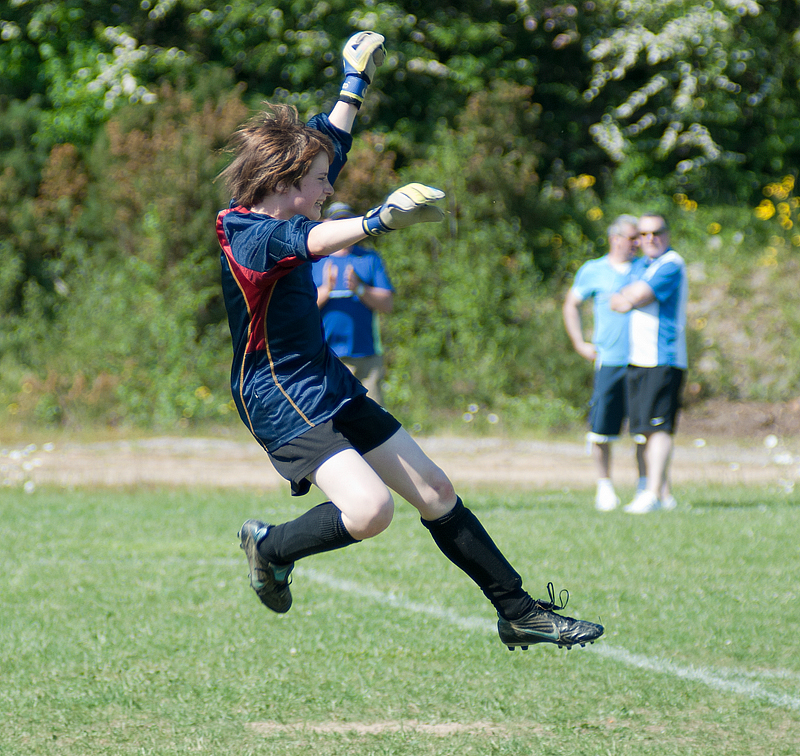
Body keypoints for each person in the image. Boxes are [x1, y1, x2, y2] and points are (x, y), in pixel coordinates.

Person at [215, 31, 603, 650]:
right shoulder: (249, 236)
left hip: (324, 378)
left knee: (436, 490)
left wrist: (354, 79)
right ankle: (269, 546)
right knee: (371, 512)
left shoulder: (290, 204)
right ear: (285, 182)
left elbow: (330, 141)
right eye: (318, 182)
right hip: (279, 394)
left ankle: (518, 611)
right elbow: (310, 243)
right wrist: (375, 221)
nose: (327, 189)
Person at [562, 215, 646, 511]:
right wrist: (579, 342)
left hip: (642, 359)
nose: (638, 243)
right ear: (616, 238)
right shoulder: (593, 270)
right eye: (633, 237)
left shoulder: (646, 267)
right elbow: (571, 304)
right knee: (601, 429)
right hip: (609, 359)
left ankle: (645, 487)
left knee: (643, 430)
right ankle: (605, 487)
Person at [610, 213, 688, 514]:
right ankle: (658, 492)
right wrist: (626, 297)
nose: (650, 238)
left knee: (659, 428)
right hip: (638, 358)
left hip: (663, 358)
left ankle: (653, 492)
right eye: (643, 234)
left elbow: (635, 297)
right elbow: (615, 301)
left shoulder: (671, 264)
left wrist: (628, 297)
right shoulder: (642, 265)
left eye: (656, 232)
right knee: (642, 429)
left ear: (667, 234)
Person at [313, 202, 394, 405]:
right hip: (325, 356)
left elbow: (387, 304)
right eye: (337, 222)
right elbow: (299, 311)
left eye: (346, 221)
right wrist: (325, 291)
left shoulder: (368, 258)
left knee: (374, 419)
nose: (342, 227)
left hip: (366, 355)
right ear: (326, 223)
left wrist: (360, 288)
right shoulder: (314, 260)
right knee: (329, 418)